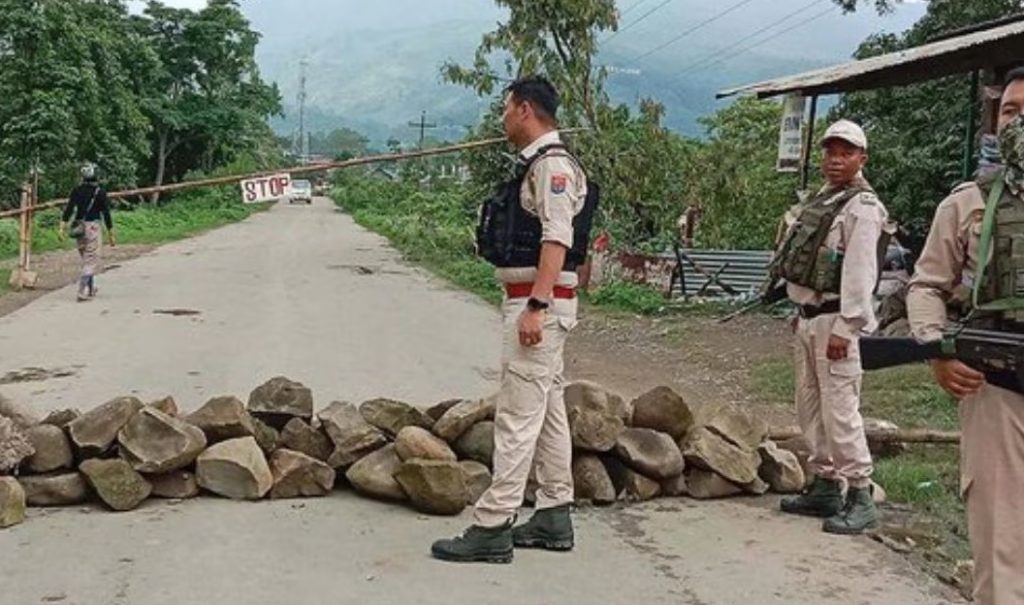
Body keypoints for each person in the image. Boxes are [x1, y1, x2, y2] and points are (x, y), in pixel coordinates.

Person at [431, 75, 595, 563]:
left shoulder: (553, 167)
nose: (502, 118)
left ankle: (492, 524)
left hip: (537, 304)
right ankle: (554, 511)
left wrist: (536, 307)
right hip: (537, 301)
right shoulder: (539, 164)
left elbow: (557, 238)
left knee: (517, 416)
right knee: (548, 412)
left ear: (524, 109)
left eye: (506, 108)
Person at [906, 67, 1024, 605]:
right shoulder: (966, 203)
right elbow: (927, 284)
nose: (1018, 121)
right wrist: (937, 348)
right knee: (1000, 544)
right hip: (996, 388)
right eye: (1010, 111)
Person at [773, 120, 891, 535]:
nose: (835, 160)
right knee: (810, 404)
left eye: (846, 153)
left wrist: (848, 326)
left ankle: (859, 492)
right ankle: (824, 483)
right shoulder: (824, 199)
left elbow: (860, 272)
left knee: (840, 409)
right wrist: (798, 307)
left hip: (836, 321)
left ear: (862, 158)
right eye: (830, 152)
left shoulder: (863, 208)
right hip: (809, 317)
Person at [59, 163, 116, 302]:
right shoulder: (100, 192)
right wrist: (111, 232)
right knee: (90, 260)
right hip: (93, 228)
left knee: (86, 259)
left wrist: (62, 227)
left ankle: (90, 289)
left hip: (79, 228)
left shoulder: (76, 191)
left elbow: (69, 209)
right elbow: (106, 213)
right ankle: (81, 291)